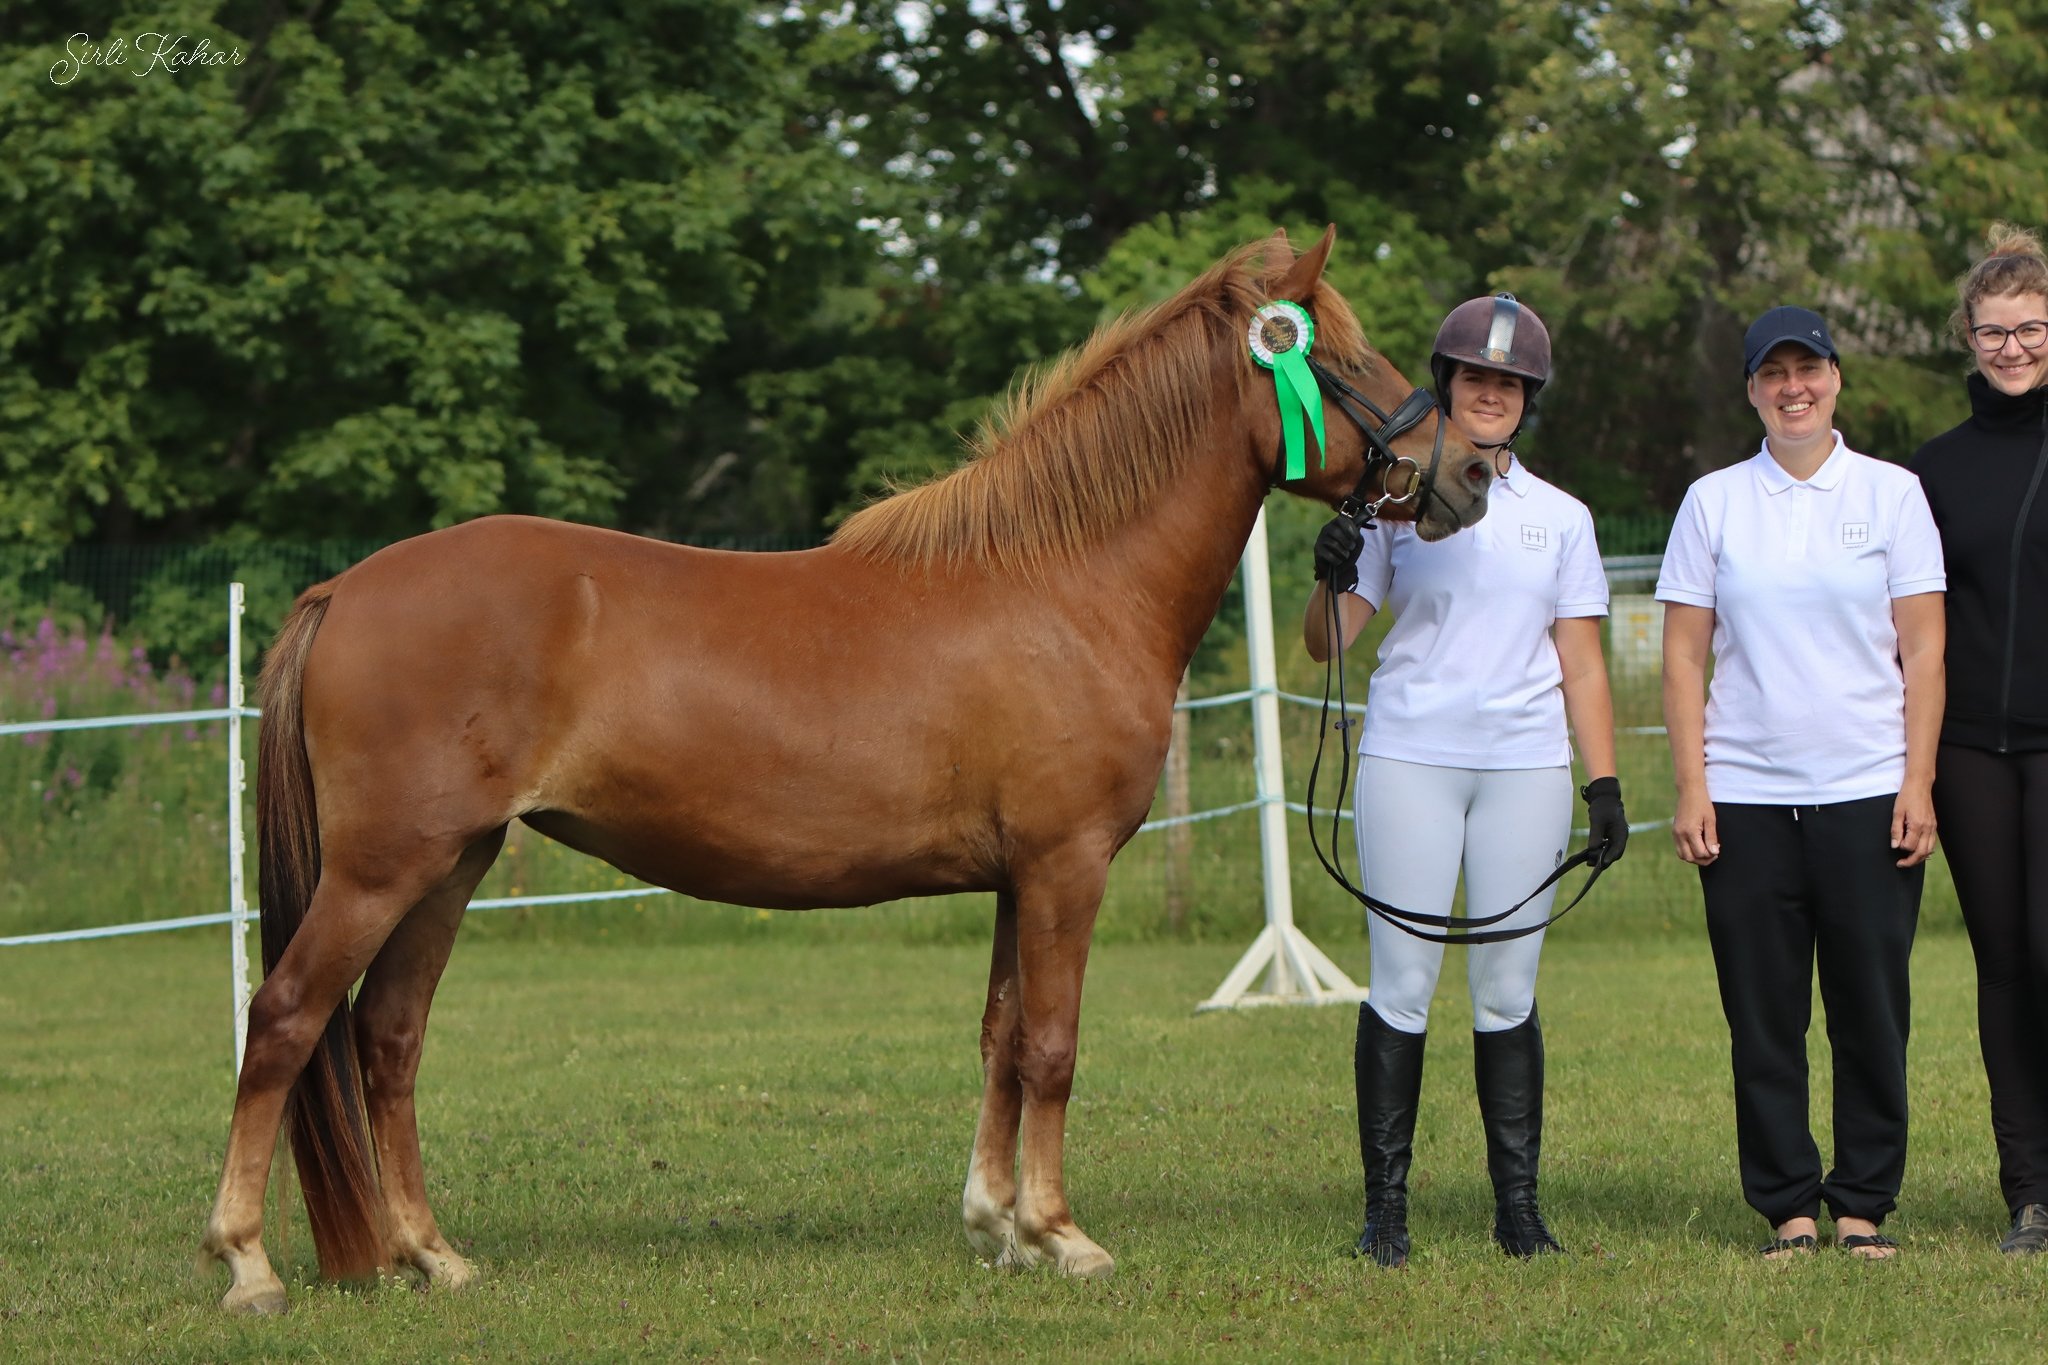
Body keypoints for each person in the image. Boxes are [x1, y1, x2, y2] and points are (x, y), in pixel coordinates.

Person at [1305, 292, 1628, 1267]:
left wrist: (1602, 785)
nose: (1489, 394)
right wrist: (1326, 572)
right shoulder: (1391, 503)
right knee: (1400, 986)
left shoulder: (1560, 518)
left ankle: (1517, 1211)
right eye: (1473, 377)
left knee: (1505, 989)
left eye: (1507, 382)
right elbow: (1327, 643)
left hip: (1523, 767)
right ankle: (1385, 1214)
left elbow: (1580, 661)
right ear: (1444, 386)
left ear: (1526, 398)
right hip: (1410, 757)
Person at [1657, 305, 1945, 1260]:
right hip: (1745, 798)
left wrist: (1919, 779)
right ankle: (1787, 1206)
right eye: (1773, 373)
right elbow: (1684, 656)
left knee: (1870, 1008)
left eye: (1808, 370)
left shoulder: (1895, 494)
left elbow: (1924, 648)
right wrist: (1692, 784)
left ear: (1836, 379)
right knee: (1764, 1015)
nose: (1794, 388)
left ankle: (1862, 1203)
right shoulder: (1713, 502)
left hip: (1868, 790)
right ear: (1751, 389)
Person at [1908, 222, 2048, 1256]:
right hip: (1966, 749)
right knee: (2000, 959)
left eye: (2029, 329)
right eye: (1993, 332)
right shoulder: (1932, 469)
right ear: (1966, 335)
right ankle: (2026, 1192)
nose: (2011, 349)